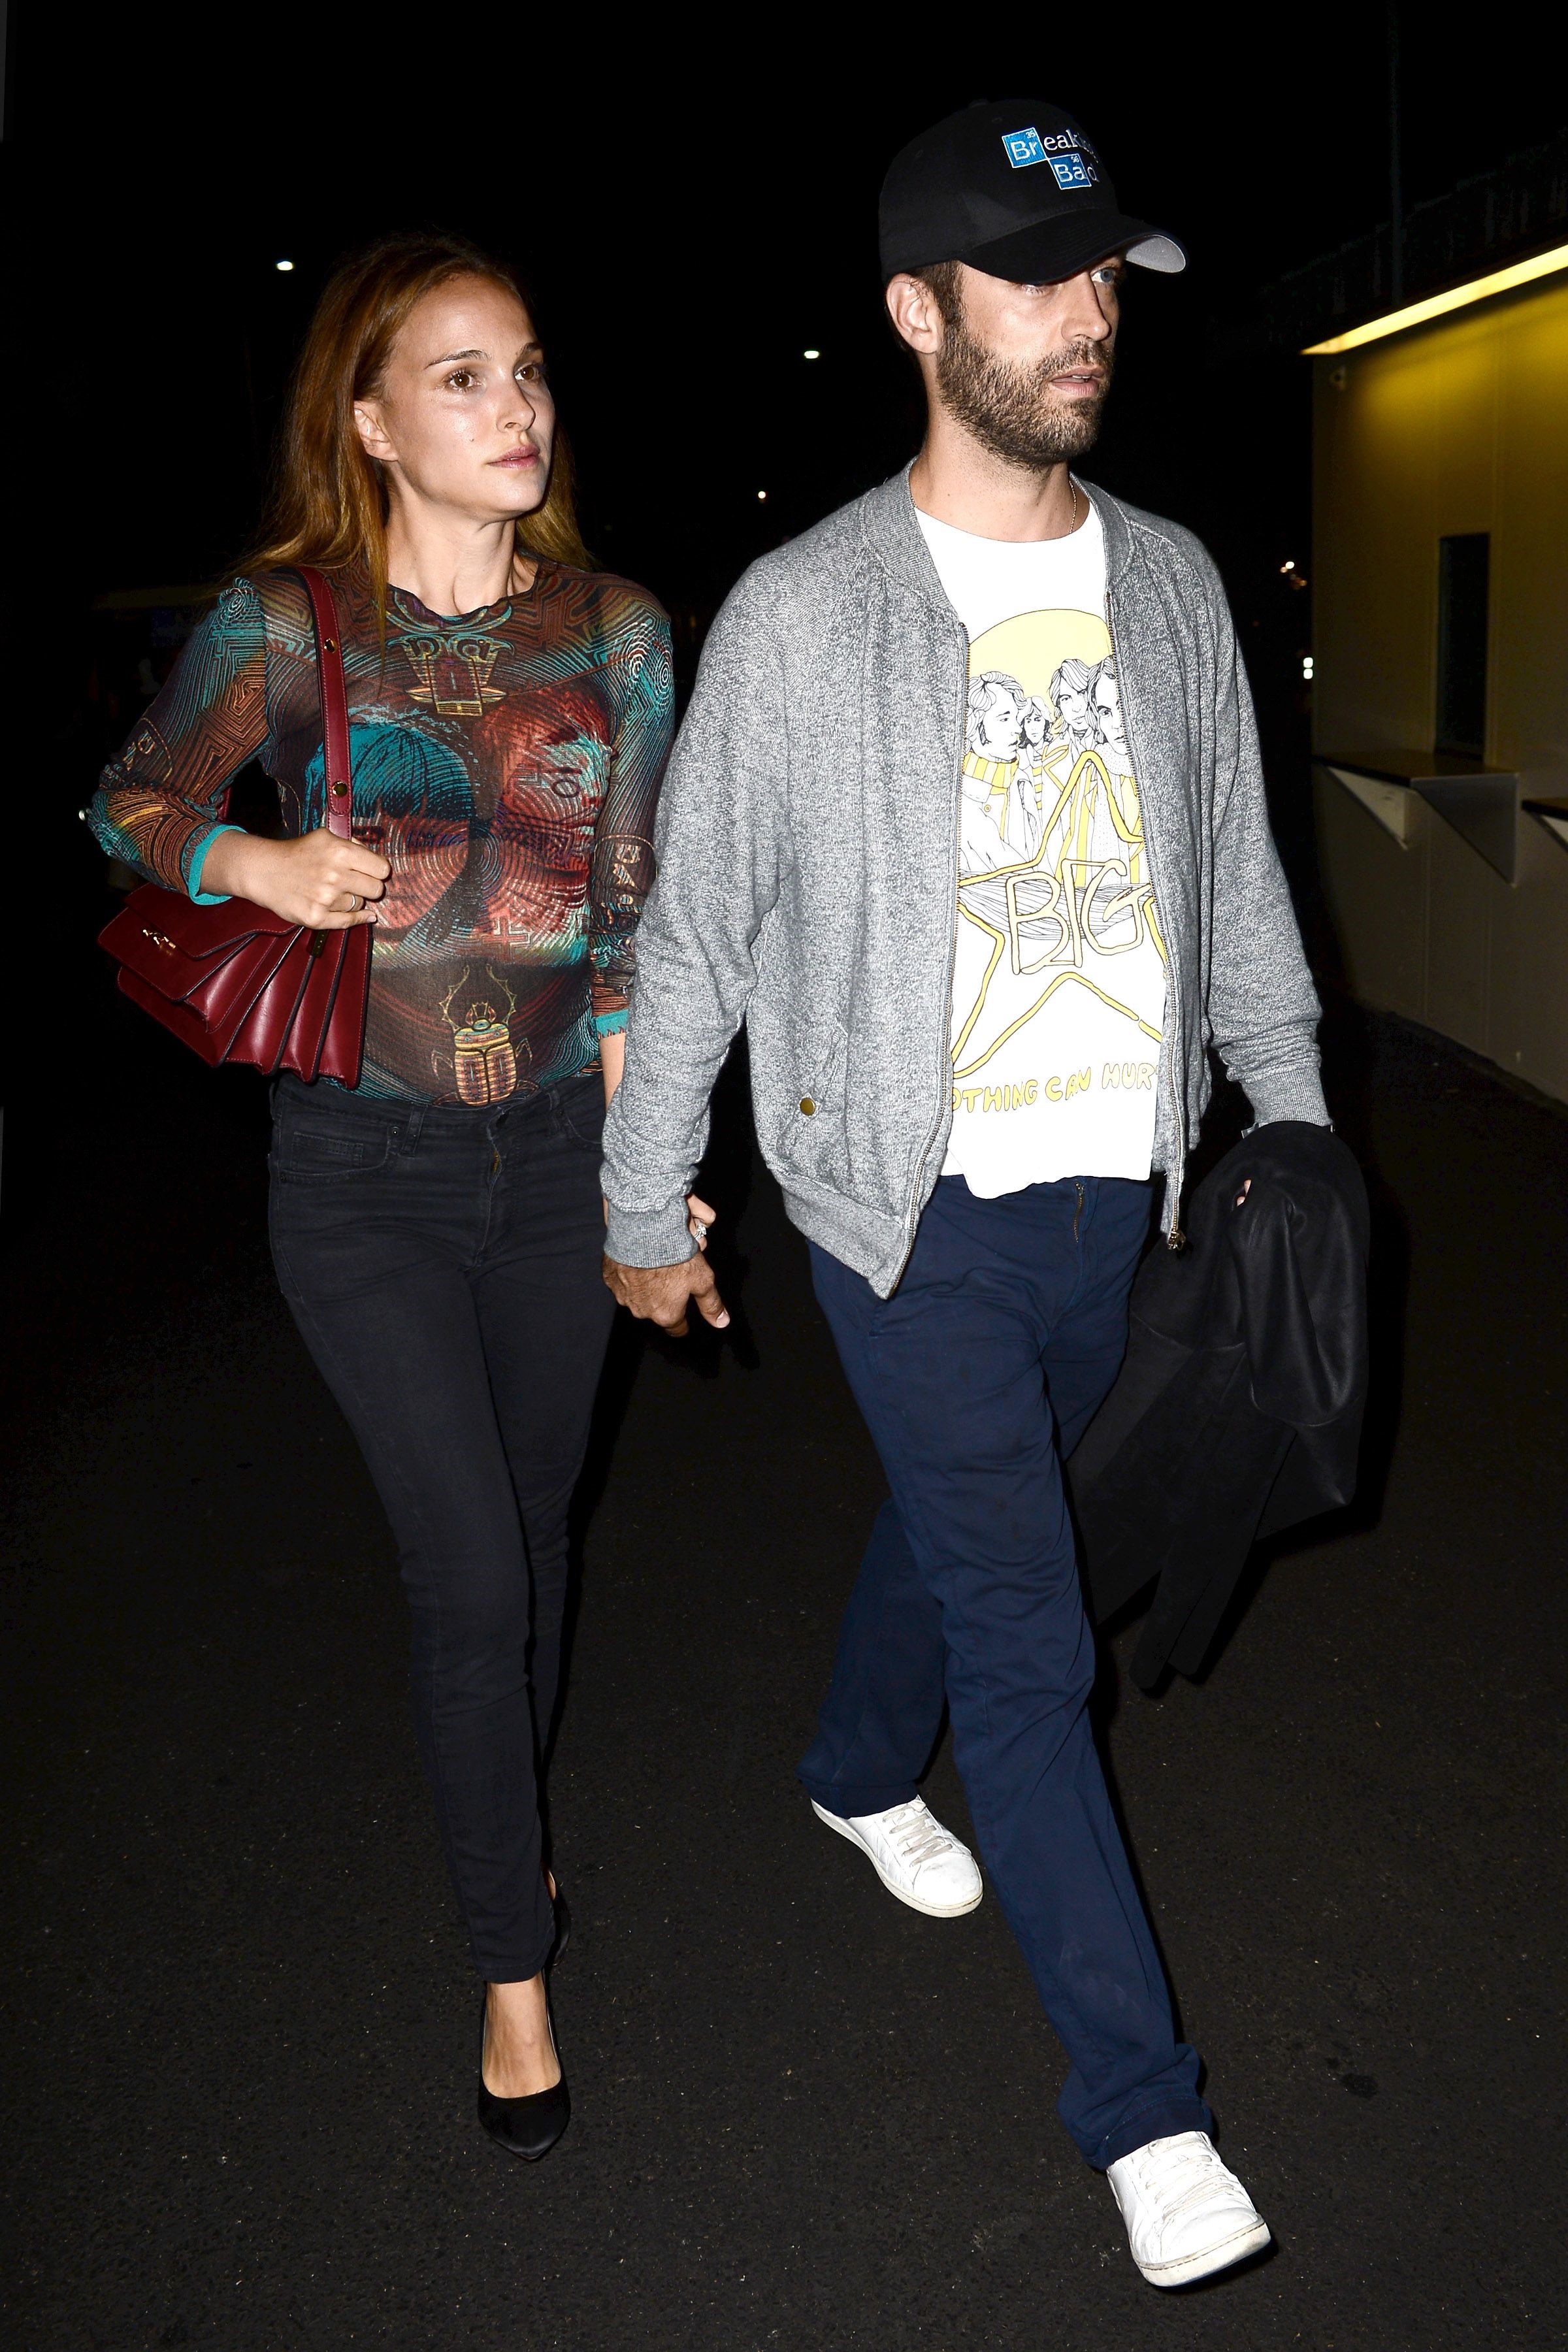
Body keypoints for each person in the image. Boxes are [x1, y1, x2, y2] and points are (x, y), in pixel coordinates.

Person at [600, 100, 1329, 2288]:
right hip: (900, 1210)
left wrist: (1289, 1133)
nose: (1090, 312)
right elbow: (702, 925)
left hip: (1128, 1195)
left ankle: (846, 1763)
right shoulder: (811, 615)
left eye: (1105, 268)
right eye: (1037, 274)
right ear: (920, 313)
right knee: (1030, 1641)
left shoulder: (1178, 584)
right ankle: (1146, 2119)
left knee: (973, 1521)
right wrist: (650, 1206)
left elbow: (1239, 895)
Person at [90, 232, 693, 2163]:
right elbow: (126, 802)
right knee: (472, 1574)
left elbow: (630, 924)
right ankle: (510, 1965)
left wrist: (654, 1185)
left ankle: (500, 1846)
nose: (516, 407)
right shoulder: (287, 623)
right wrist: (254, 868)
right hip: (360, 1169)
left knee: (538, 1536)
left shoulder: (616, 627)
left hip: (561, 1169)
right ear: (370, 421)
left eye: (527, 370)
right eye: (462, 377)